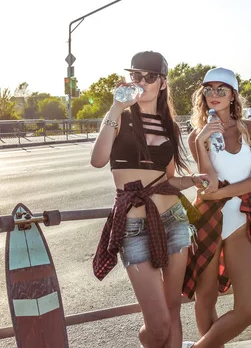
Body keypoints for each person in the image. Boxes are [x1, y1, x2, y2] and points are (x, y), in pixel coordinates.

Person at [91, 51, 214, 348]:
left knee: (173, 310)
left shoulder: (167, 123)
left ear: (162, 83)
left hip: (174, 221)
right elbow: (98, 160)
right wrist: (116, 107)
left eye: (149, 77)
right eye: (136, 76)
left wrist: (193, 180)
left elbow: (167, 180)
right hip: (133, 227)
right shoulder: (119, 117)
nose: (142, 82)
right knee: (158, 326)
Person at [182, 68, 251, 348]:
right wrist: (201, 141)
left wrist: (225, 192)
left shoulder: (250, 128)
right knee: (206, 298)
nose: (214, 95)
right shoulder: (197, 135)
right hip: (207, 221)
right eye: (209, 89)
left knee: (249, 308)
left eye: (222, 89)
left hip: (239, 222)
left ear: (233, 95)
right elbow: (208, 185)